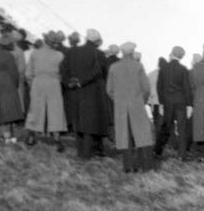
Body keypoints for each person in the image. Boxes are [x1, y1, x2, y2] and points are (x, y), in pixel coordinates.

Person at [106, 41, 155, 171]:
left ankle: (128, 166)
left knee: (124, 135)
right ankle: (146, 166)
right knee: (143, 135)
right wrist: (142, 101)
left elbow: (109, 89)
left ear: (122, 52)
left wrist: (118, 100)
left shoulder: (113, 67)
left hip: (121, 106)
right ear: (133, 52)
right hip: (137, 104)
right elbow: (146, 88)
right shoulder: (138, 66)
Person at [61, 29, 109, 159]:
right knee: (90, 123)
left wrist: (69, 82)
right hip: (93, 92)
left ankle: (81, 152)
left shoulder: (72, 51)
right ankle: (88, 154)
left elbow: (63, 69)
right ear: (97, 41)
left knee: (78, 121)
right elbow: (100, 72)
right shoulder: (98, 54)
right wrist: (82, 81)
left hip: (75, 92)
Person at [24, 32, 67, 149]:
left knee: (35, 109)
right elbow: (63, 73)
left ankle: (31, 136)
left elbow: (28, 73)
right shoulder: (60, 55)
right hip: (54, 83)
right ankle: (57, 139)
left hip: (38, 83)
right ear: (55, 43)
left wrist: (31, 84)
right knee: (56, 110)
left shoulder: (35, 54)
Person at [155, 46, 193, 160]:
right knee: (182, 128)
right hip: (180, 101)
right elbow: (187, 88)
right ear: (181, 57)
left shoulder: (164, 68)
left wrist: (161, 102)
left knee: (166, 127)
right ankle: (182, 154)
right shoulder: (183, 69)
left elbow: (159, 87)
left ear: (172, 54)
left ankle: (157, 150)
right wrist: (189, 105)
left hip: (167, 102)